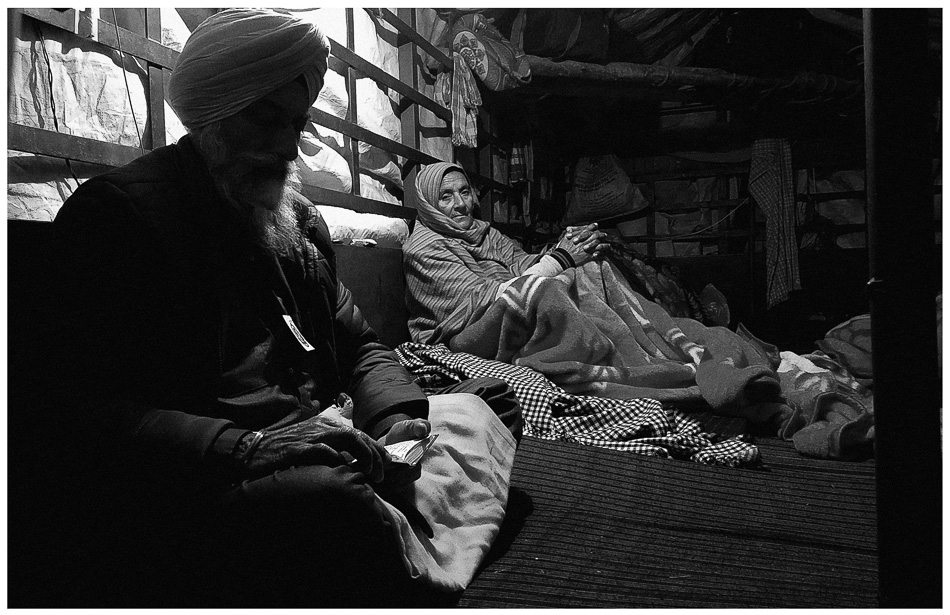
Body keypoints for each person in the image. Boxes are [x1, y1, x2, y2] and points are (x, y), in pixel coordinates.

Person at [53, 9, 519, 608]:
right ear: (215, 114)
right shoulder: (117, 220)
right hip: (225, 465)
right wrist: (245, 447)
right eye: (264, 121)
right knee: (329, 496)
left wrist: (392, 419)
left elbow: (360, 343)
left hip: (327, 431)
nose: (284, 147)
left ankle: (386, 520)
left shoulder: (295, 220)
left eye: (294, 126)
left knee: (489, 402)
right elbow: (78, 408)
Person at [404, 161, 611, 345]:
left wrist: (571, 244)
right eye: (445, 197)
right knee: (552, 290)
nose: (460, 204)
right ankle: (596, 351)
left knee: (591, 265)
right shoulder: (424, 249)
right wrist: (561, 258)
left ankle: (620, 344)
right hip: (461, 333)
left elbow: (521, 264)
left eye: (465, 192)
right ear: (428, 205)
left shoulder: (483, 232)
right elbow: (484, 301)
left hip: (508, 312)